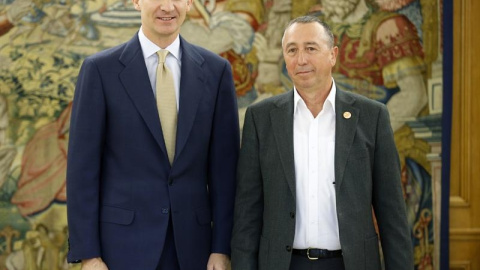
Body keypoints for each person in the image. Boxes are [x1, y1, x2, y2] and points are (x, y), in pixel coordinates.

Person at [66, 0, 240, 269]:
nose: (168, 7)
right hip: (120, 250)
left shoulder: (216, 71)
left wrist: (221, 248)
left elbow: (225, 171)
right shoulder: (100, 70)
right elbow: (82, 171)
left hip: (195, 250)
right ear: (136, 2)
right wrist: (89, 254)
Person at [231, 15, 413, 270]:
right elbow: (247, 213)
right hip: (283, 263)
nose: (301, 59)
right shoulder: (261, 119)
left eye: (311, 48)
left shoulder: (372, 117)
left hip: (351, 263)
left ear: (333, 55)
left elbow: (392, 213)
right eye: (292, 50)